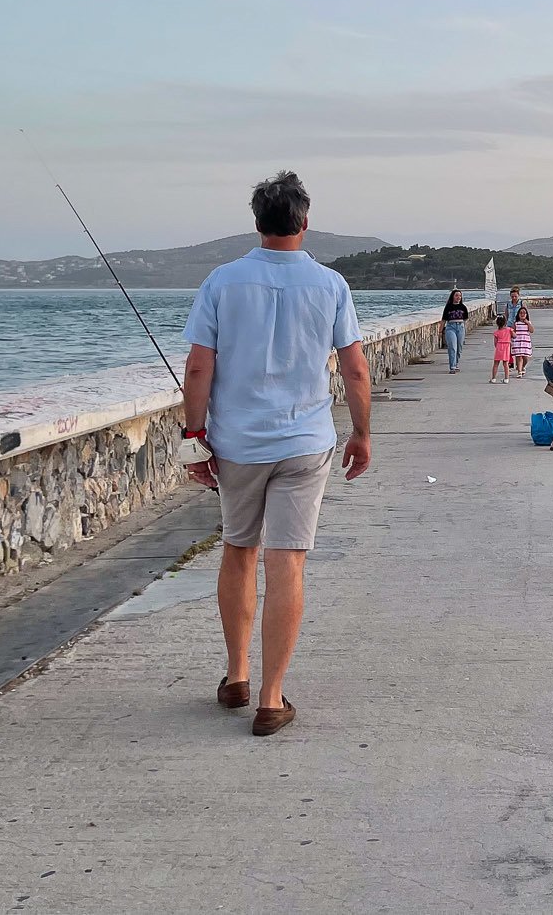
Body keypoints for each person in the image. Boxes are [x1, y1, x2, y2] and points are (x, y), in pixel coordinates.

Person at [180, 170, 370, 738]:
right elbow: (356, 368)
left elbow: (197, 367)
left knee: (239, 549)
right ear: (305, 222)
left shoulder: (222, 281)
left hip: (237, 443)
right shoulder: (331, 285)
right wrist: (362, 432)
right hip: (306, 442)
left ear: (258, 221)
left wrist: (194, 437)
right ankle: (270, 698)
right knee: (287, 560)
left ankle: (235, 676)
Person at [441, 288, 469, 373]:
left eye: (460, 296)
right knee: (452, 347)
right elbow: (443, 320)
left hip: (460, 327)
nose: (458, 297)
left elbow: (465, 319)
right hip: (450, 327)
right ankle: (452, 367)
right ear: (453, 296)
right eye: (456, 295)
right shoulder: (448, 307)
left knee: (459, 347)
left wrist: (463, 329)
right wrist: (440, 331)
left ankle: (456, 363)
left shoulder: (463, 307)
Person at [510, 305, 533, 378]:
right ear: (518, 314)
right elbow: (513, 331)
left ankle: (523, 366)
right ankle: (519, 371)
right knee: (519, 357)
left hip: (525, 342)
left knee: (525, 358)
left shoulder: (528, 322)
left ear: (526, 315)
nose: (522, 314)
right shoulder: (516, 323)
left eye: (524, 313)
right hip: (517, 341)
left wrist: (528, 323)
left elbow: (532, 330)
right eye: (521, 313)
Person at [490, 315, 513, 383]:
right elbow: (515, 336)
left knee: (496, 363)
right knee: (505, 363)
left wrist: (497, 347)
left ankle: (493, 378)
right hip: (506, 347)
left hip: (499, 347)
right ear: (505, 322)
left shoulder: (496, 332)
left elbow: (495, 343)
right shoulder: (509, 330)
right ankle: (506, 378)